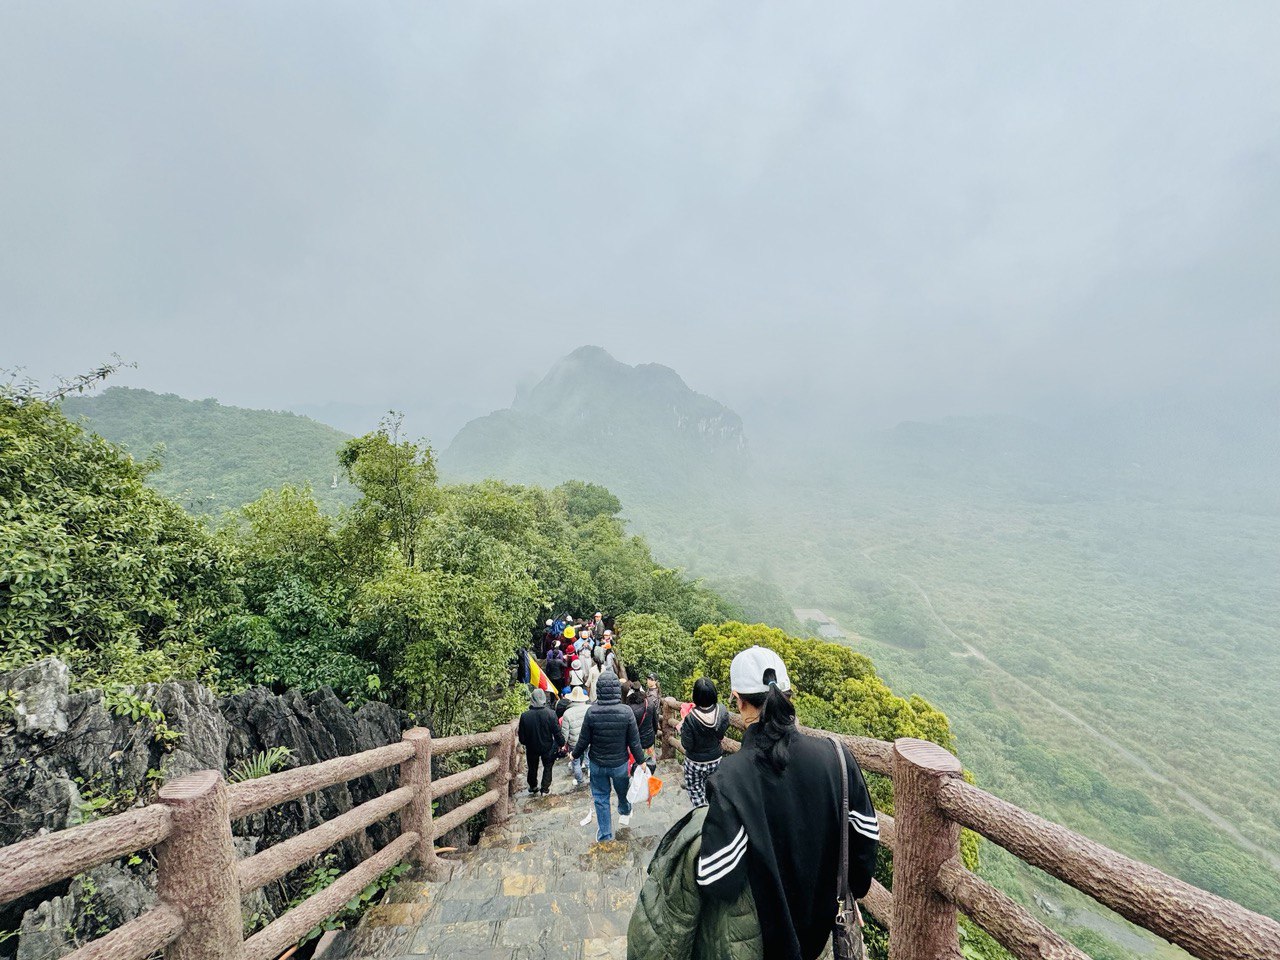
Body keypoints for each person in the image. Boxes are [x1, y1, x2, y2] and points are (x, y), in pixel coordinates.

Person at [696, 646, 878, 960]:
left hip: (766, 942)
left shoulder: (731, 778)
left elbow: (717, 881)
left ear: (737, 699)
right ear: (788, 695)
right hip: (822, 931)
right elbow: (865, 843)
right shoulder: (836, 756)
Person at [571, 671, 644, 842]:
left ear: (599, 690)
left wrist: (574, 754)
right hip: (619, 764)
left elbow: (583, 740)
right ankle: (625, 810)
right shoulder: (626, 712)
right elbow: (634, 742)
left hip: (597, 763)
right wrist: (641, 761)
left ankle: (605, 834)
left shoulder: (592, 712)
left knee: (601, 798)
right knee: (622, 791)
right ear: (617, 691)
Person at [679, 677, 731, 807]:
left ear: (695, 695)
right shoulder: (722, 711)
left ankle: (701, 815)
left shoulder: (691, 718)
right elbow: (721, 733)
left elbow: (687, 745)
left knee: (695, 790)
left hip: (695, 762)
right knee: (714, 788)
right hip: (715, 758)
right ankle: (714, 813)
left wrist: (682, 729)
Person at [517, 688, 565, 796]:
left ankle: (533, 786)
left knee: (532, 767)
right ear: (543, 698)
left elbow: (522, 737)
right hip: (547, 746)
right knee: (548, 766)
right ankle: (545, 789)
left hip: (532, 747)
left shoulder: (525, 716)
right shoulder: (551, 714)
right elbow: (557, 732)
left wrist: (526, 742)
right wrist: (562, 743)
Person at [560, 686, 591, 787]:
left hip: (574, 742)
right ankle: (590, 773)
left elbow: (565, 732)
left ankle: (580, 780)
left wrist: (563, 744)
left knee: (576, 762)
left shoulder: (567, 713)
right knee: (588, 756)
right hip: (588, 740)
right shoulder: (589, 709)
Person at [628, 687, 658, 773]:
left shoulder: (629, 709)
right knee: (651, 765)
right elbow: (655, 722)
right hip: (649, 740)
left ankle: (637, 781)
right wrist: (654, 733)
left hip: (635, 743)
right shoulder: (650, 703)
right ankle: (649, 779)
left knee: (636, 766)